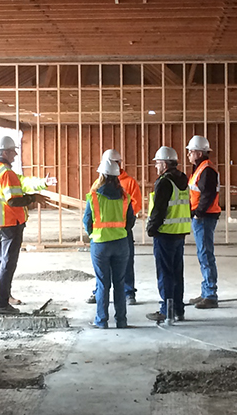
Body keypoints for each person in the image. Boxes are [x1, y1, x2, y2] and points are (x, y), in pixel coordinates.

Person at [0, 135, 57, 314]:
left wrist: (39, 186)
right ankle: (1, 304)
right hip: (10, 224)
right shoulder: (6, 174)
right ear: (5, 152)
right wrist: (34, 198)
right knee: (7, 263)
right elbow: (13, 201)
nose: (15, 155)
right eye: (12, 152)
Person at [84, 158, 136, 329]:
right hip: (121, 243)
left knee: (102, 283)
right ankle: (121, 321)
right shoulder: (125, 197)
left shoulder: (94, 197)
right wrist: (121, 232)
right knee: (119, 283)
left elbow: (87, 221)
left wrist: (94, 234)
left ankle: (101, 320)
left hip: (100, 244)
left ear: (102, 176)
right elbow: (130, 221)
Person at [145, 146, 190, 323]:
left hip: (165, 233)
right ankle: (178, 310)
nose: (156, 166)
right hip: (180, 233)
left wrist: (151, 228)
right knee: (177, 272)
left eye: (157, 163)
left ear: (164, 163)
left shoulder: (164, 182)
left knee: (165, 273)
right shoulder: (183, 180)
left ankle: (166, 311)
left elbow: (159, 209)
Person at [185, 135, 221, 309]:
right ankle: (206, 291)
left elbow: (208, 194)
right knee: (203, 254)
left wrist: (198, 213)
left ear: (199, 153)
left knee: (206, 254)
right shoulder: (200, 168)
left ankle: (210, 294)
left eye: (190, 152)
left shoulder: (206, 170)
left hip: (205, 217)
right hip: (201, 217)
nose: (188, 155)